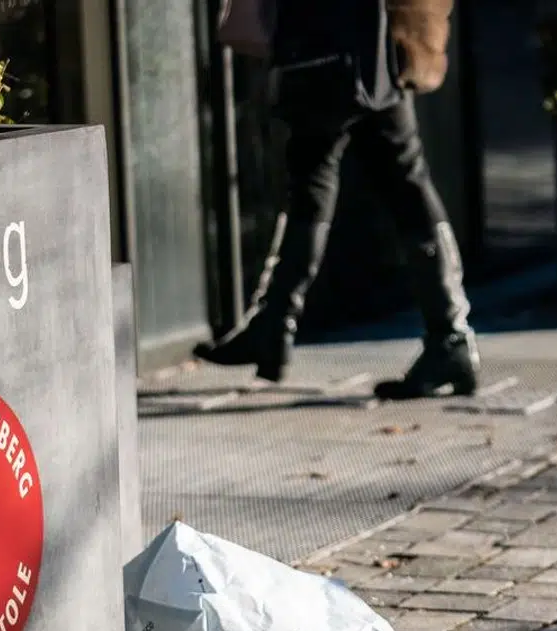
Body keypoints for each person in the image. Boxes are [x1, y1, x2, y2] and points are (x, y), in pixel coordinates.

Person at [193, 0, 479, 400]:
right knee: (400, 178)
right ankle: (451, 337)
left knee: (321, 178)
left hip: (331, 41)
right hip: (367, 44)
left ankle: (274, 327)